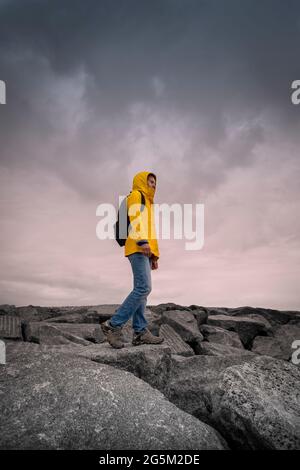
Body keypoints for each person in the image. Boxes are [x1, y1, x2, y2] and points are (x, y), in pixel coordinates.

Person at [101, 171, 164, 349]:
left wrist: (154, 255)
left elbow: (150, 231)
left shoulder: (149, 203)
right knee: (144, 288)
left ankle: (140, 332)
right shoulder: (137, 195)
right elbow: (136, 218)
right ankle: (113, 325)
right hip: (137, 246)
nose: (153, 185)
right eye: (150, 181)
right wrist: (143, 241)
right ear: (142, 182)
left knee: (142, 291)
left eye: (155, 183)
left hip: (143, 249)